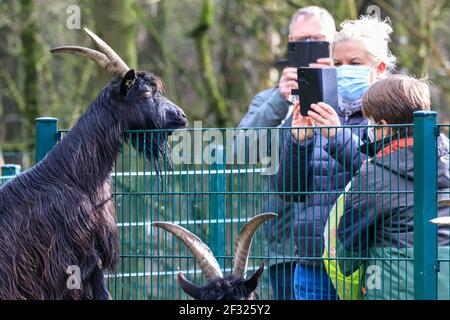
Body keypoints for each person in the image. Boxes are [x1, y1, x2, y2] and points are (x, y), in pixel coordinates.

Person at [276, 16, 397, 300]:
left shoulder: (390, 118)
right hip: (313, 261)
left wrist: (336, 136)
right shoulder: (318, 110)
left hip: (366, 262)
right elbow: (289, 190)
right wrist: (298, 141)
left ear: (378, 68)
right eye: (338, 64)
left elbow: (384, 180)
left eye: (355, 64)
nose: (345, 71)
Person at [238, 6, 336, 300]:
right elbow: (241, 150)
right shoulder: (268, 99)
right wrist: (280, 101)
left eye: (316, 40)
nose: (307, 48)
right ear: (289, 44)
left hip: (341, 242)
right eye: (300, 42)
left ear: (332, 43)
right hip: (284, 245)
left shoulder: (351, 95)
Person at [336, 74, 450, 299]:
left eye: (371, 121)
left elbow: (347, 255)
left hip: (394, 289)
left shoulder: (372, 176)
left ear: (384, 126)